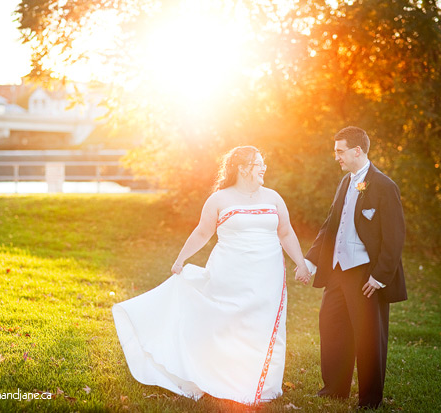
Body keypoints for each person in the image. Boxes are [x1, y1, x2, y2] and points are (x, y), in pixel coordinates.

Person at [112, 145, 311, 405]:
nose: (264, 168)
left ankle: (263, 385)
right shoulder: (219, 199)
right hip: (230, 270)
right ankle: (217, 375)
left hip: (268, 273)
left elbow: (285, 232)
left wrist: (301, 263)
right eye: (258, 163)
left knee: (262, 324)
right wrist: (181, 259)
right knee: (225, 321)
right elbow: (203, 232)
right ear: (242, 168)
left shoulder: (273, 197)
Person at [301, 126, 407, 409]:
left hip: (365, 274)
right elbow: (331, 225)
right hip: (337, 270)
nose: (336, 156)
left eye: (340, 151)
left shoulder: (385, 186)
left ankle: (370, 398)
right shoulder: (345, 183)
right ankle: (335, 389)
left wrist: (380, 277)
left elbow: (394, 238)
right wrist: (311, 261)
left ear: (356, 151)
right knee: (331, 326)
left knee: (368, 336)